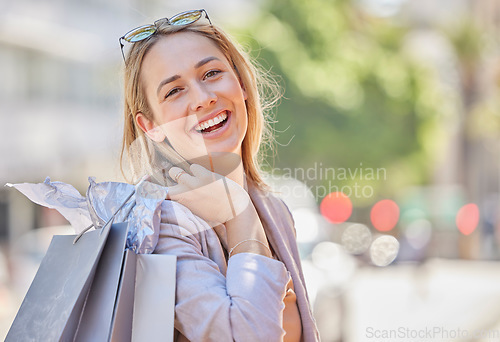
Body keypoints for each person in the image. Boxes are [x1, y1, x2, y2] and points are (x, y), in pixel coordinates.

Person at [119, 9, 320, 341]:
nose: (203, 98)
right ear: (150, 127)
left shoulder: (273, 209)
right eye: (173, 91)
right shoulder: (161, 227)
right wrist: (239, 214)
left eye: (211, 73)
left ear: (240, 83)